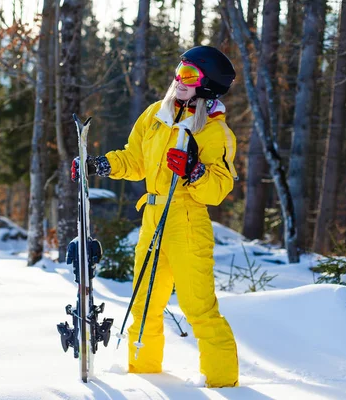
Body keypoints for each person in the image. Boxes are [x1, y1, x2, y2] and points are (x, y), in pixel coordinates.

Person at [71, 46, 239, 388]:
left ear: (208, 86)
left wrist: (195, 171)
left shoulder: (214, 133)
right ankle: (144, 377)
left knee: (199, 309)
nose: (179, 80)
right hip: (152, 216)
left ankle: (224, 384)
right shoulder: (155, 115)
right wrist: (99, 165)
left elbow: (218, 189)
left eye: (189, 75)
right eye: (179, 70)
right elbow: (135, 160)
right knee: (145, 302)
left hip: (188, 221)